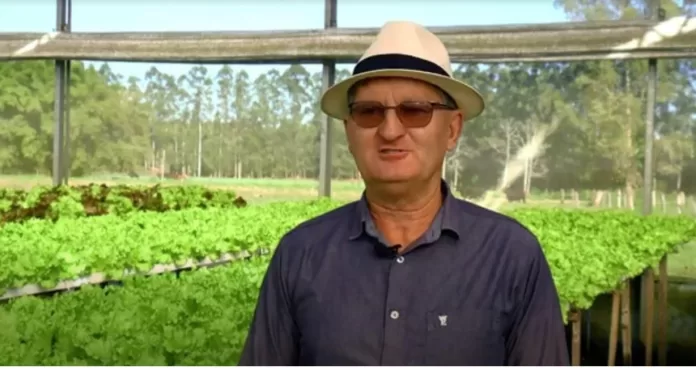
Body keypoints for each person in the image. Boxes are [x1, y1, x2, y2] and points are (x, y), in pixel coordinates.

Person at [238, 20, 569, 366]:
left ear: (452, 130)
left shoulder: (512, 258)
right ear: (349, 131)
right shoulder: (300, 255)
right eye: (369, 112)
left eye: (415, 110)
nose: (391, 130)